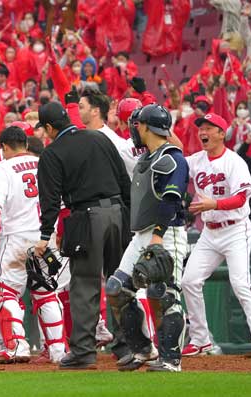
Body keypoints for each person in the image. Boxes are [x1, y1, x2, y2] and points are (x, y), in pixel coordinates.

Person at [34, 102, 132, 369]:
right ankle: (128, 346)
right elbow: (124, 179)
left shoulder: (52, 153)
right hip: (117, 213)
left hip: (87, 217)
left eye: (44, 129)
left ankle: (84, 351)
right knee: (120, 282)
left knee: (84, 285)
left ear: (51, 127)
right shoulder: (98, 137)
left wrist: (45, 235)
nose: (44, 134)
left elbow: (50, 200)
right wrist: (128, 216)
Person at [106, 104, 189, 372]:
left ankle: (171, 359)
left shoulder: (171, 158)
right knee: (117, 289)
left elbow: (171, 201)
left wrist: (157, 236)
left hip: (166, 232)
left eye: (137, 124)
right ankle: (143, 350)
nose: (134, 129)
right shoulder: (146, 159)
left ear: (146, 127)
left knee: (164, 294)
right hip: (141, 234)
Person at [181, 113, 251, 359]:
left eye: (209, 128)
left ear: (222, 134)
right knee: (189, 281)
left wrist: (214, 204)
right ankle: (201, 340)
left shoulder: (234, 162)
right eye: (201, 128)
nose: (203, 132)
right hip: (210, 232)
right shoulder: (197, 160)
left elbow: (241, 198)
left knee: (241, 284)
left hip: (235, 229)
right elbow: (176, 159)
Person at [0, 126, 64, 363]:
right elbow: (61, 203)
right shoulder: (45, 162)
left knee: (5, 291)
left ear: (4, 147)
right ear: (25, 143)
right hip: (46, 235)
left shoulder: (2, 168)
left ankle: (16, 346)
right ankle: (57, 350)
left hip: (17, 237)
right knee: (46, 292)